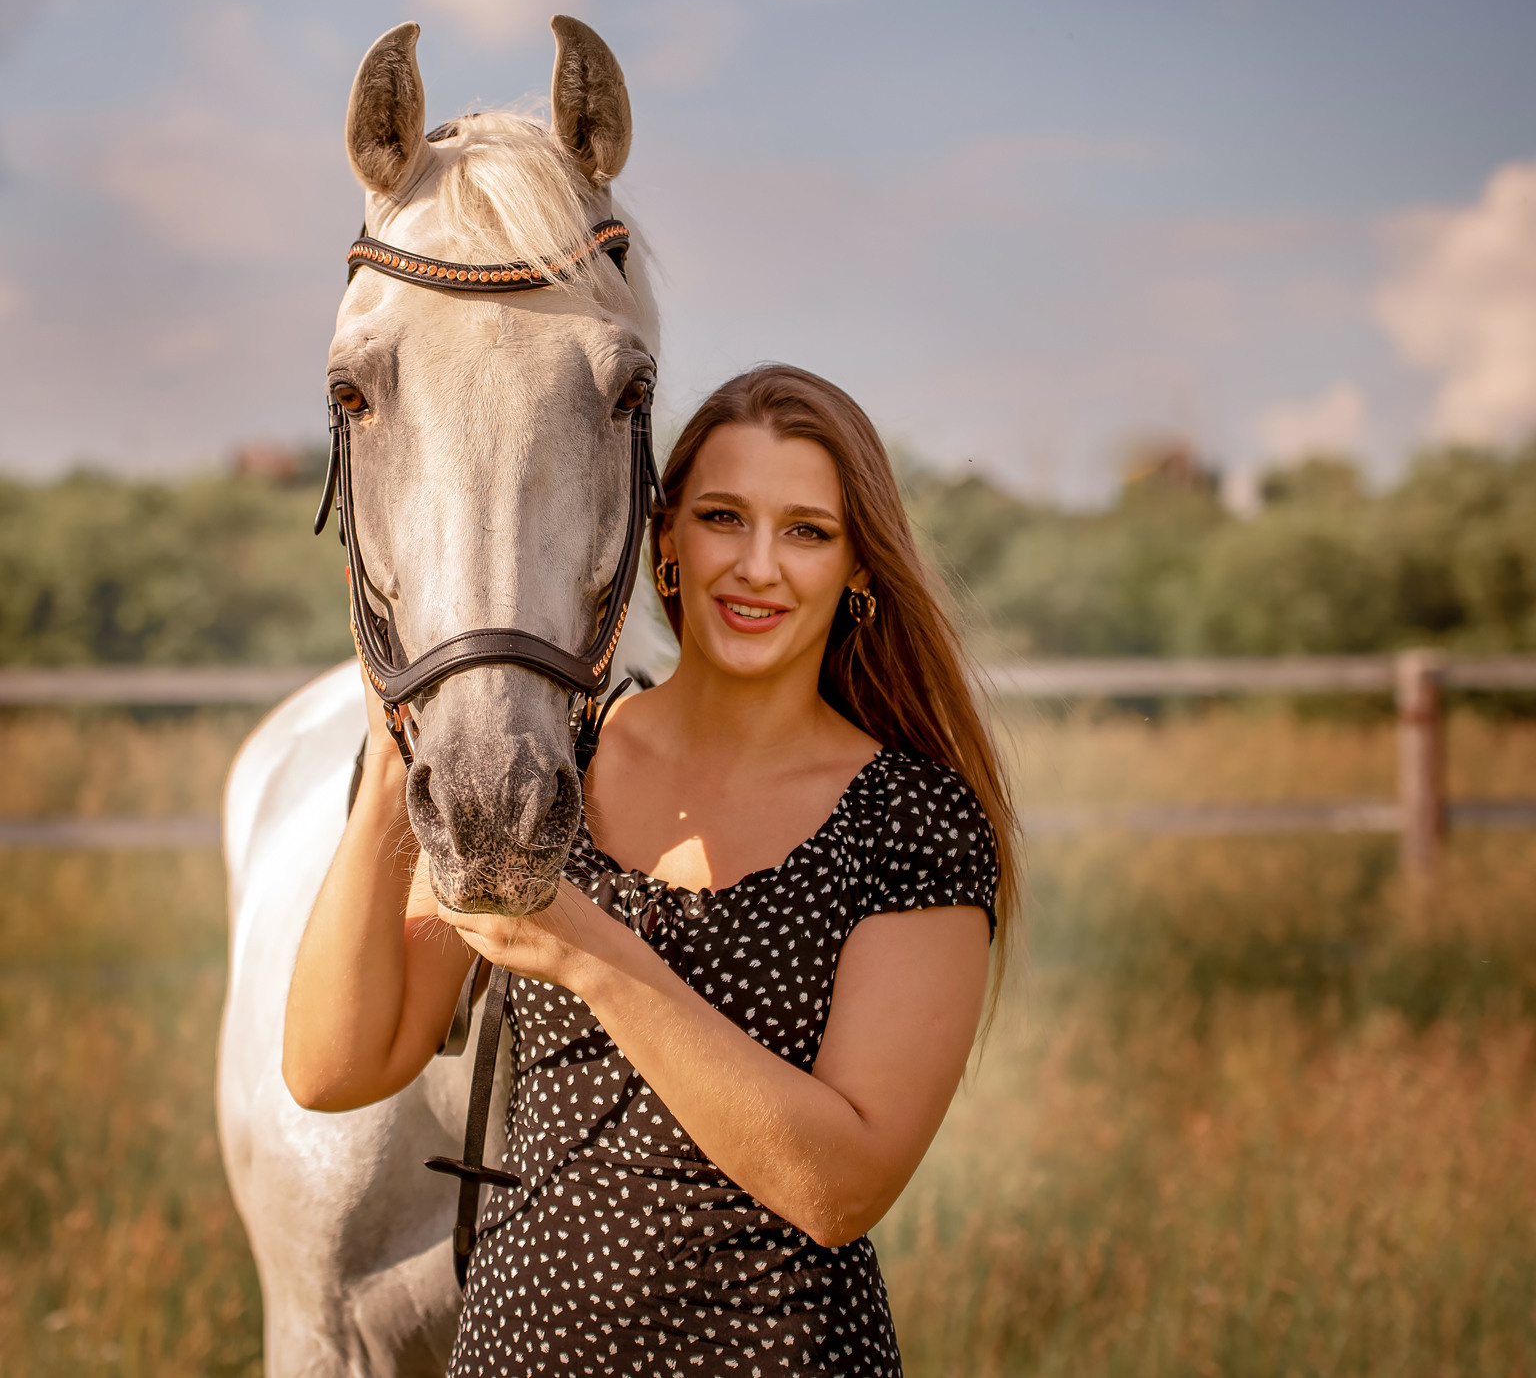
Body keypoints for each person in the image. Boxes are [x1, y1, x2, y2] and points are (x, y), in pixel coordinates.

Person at [282, 363, 1018, 1376]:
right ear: (661, 540)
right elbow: (333, 1069)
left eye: (807, 531)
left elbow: (840, 1190)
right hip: (519, 1353)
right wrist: (387, 765)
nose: (757, 566)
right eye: (723, 517)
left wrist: (588, 950)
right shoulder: (555, 762)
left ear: (858, 568)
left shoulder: (914, 821)